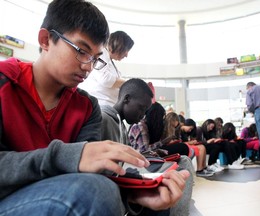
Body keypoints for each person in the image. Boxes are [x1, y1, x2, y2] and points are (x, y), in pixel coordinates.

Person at [0, 1, 189, 215]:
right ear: (45, 40)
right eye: (81, 51)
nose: (88, 67)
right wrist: (68, 156)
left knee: (164, 184)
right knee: (95, 191)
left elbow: (87, 176)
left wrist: (132, 193)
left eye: (95, 59)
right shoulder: (4, 83)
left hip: (61, 194)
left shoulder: (87, 107)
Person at [100, 79, 193, 216]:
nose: (143, 115)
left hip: (127, 174)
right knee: (167, 181)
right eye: (141, 108)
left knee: (179, 166)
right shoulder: (105, 120)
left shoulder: (121, 124)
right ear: (127, 99)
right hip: (117, 181)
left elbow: (129, 156)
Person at [79, 30, 134, 106]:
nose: (126, 55)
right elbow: (106, 79)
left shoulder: (108, 59)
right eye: (127, 50)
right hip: (100, 105)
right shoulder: (101, 54)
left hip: (106, 106)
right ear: (119, 45)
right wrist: (129, 84)